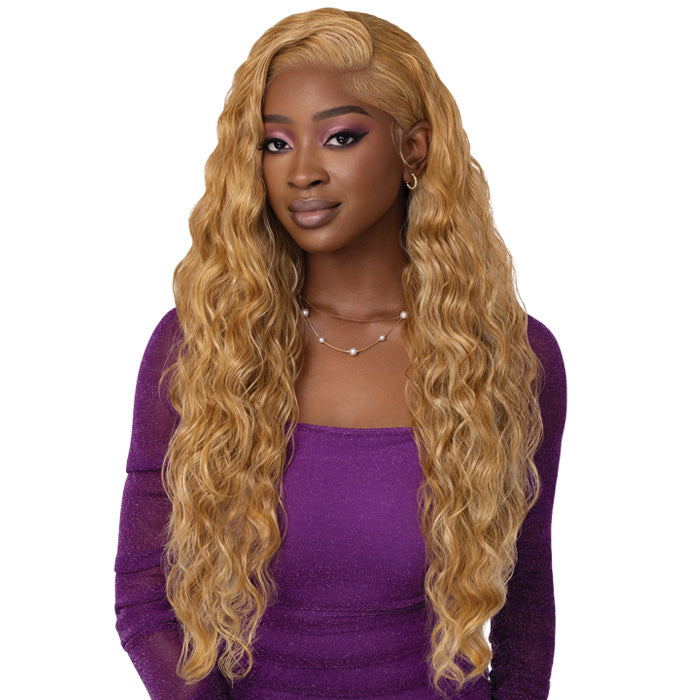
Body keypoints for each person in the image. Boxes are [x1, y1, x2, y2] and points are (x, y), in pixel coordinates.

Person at [115, 8, 566, 700]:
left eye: (340, 137)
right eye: (275, 144)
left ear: (414, 149)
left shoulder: (509, 357)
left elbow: (525, 597)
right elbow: (147, 593)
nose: (301, 172)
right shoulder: (201, 347)